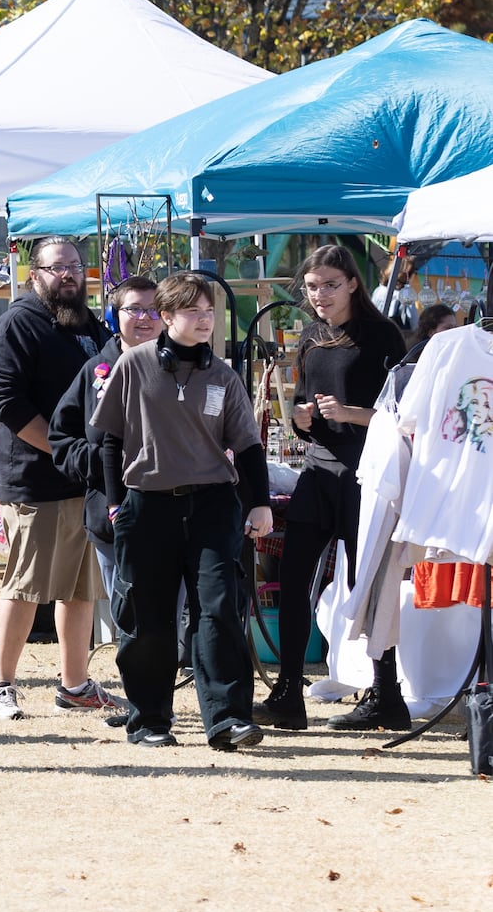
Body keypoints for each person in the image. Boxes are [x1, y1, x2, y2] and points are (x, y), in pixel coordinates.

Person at [92, 272, 273, 751]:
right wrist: (115, 506)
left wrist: (259, 502)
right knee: (148, 618)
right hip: (146, 505)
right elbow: (109, 440)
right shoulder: (133, 365)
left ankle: (228, 719)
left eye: (209, 312)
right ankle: (149, 719)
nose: (204, 321)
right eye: (192, 311)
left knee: (218, 609)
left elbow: (248, 445)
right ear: (166, 316)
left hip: (213, 503)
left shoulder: (224, 375)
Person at [256, 245, 407, 731]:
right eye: (312, 286)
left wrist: (352, 414)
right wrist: (300, 418)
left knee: (372, 584)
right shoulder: (313, 336)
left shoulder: (381, 336)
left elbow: (404, 415)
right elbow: (305, 408)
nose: (319, 295)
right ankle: (288, 693)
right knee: (296, 577)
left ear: (353, 284)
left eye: (330, 285)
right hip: (319, 472)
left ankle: (387, 695)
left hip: (366, 475)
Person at [0, 235, 117, 720]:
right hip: (33, 479)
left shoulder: (89, 325)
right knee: (25, 584)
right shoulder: (19, 322)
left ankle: (75, 685)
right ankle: (1, 687)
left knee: (81, 588)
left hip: (83, 479)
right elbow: (5, 402)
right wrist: (63, 449)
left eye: (76, 266)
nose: (69, 275)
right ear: (34, 274)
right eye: (57, 268)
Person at [49, 276, 160, 601]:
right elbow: (61, 438)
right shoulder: (96, 371)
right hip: (114, 517)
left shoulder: (183, 367)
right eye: (135, 309)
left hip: (176, 515)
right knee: (128, 614)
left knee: (174, 617)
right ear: (114, 316)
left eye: (154, 310)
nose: (144, 318)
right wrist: (103, 461)